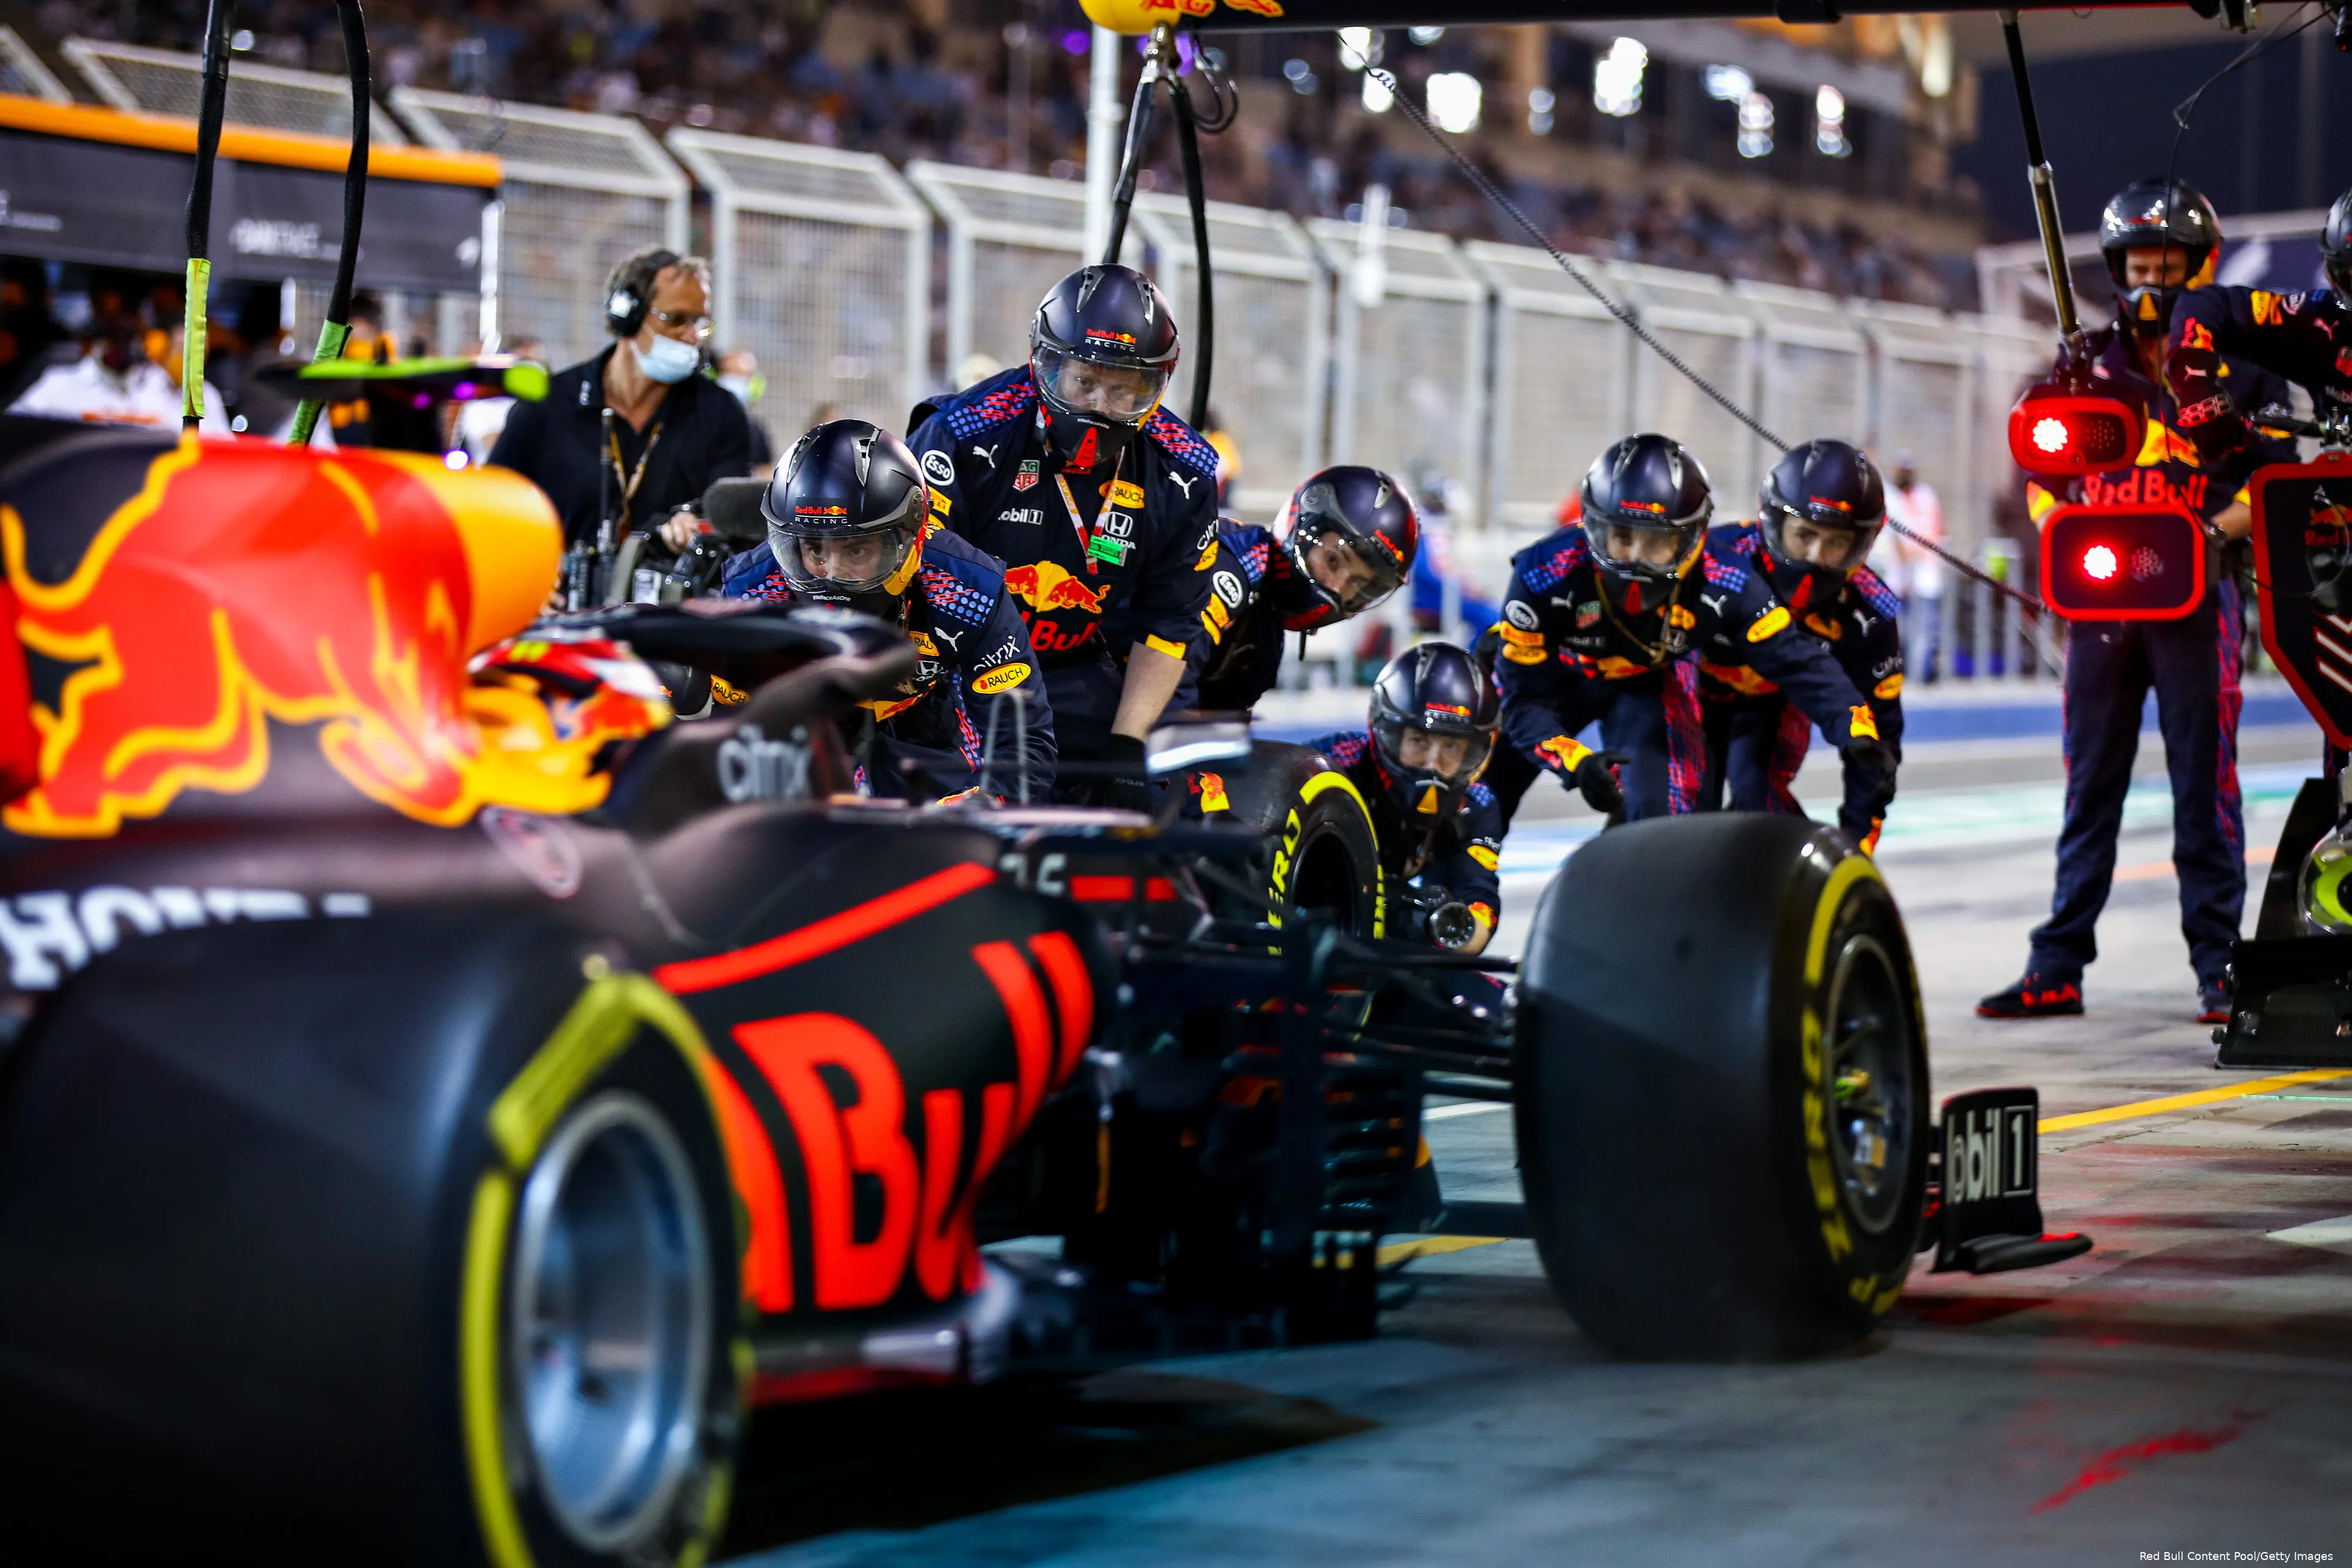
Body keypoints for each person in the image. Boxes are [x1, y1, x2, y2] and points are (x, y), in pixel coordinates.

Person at [1978, 179, 2296, 1025]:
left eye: (2169, 263)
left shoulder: (2243, 365)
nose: (2152, 278)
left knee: (2206, 789)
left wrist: (2211, 532)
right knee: (2090, 789)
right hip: (2104, 612)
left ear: (2200, 266)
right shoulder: (2079, 368)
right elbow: (2041, 482)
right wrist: (2071, 541)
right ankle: (2057, 967)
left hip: (2200, 601)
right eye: (2138, 263)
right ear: (2116, 270)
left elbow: (2273, 479)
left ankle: (2221, 970)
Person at [908, 263, 1216, 809]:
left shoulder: (1185, 471)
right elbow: (917, 585)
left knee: (1179, 804)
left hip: (1073, 667)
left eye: (1125, 390)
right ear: (1044, 363)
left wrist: (1127, 745)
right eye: (1084, 381)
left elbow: (1172, 624)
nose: (1099, 405)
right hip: (955, 667)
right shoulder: (960, 434)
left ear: (1158, 384)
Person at [1492, 433, 1890, 830]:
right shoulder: (1541, 573)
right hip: (1557, 678)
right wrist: (1573, 761)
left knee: (1664, 816)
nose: (1634, 559)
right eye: (1622, 536)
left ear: (1693, 539)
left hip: (1642, 686)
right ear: (1592, 526)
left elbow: (1794, 656)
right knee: (1478, 797)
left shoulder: (1729, 578)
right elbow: (1523, 700)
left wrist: (1853, 725)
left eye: (1656, 542)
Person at [720, 419, 1055, 804]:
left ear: (908, 541)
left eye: (856, 550)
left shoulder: (969, 591)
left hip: (927, 721)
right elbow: (722, 728)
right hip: (808, 726)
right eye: (815, 550)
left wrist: (976, 812)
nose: (832, 573)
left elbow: (1024, 740)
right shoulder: (753, 589)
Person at [1700, 440, 1905, 853]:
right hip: (1690, 694)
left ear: (1861, 544)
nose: (1815, 556)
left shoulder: (1873, 613)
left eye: (1836, 543)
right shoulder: (1712, 559)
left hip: (1775, 709)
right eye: (1805, 535)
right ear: (1775, 523)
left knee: (1758, 799)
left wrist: (1857, 848)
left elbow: (1878, 742)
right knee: (1676, 801)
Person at [488, 248, 752, 560]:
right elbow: (492, 511)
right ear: (627, 315)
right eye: (678, 320)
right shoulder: (546, 407)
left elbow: (731, 521)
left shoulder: (720, 413)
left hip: (670, 606)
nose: (694, 337)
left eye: (701, 323)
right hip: (561, 605)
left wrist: (696, 523)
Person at [1306, 642, 1504, 955]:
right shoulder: (1331, 766)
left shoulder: (1477, 802)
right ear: (1386, 732)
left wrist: (1444, 930)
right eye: (1419, 740)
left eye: (1452, 747)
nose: (1432, 764)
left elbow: (1479, 899)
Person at [1179, 465, 1418, 715]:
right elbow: (1166, 704)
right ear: (1302, 525)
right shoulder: (1229, 562)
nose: (1336, 588)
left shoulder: (1266, 634)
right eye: (1333, 561)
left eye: (1356, 585)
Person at [10, 309, 226, 432]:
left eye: (132, 339)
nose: (125, 348)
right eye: (117, 340)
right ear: (96, 344)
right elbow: (14, 427)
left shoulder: (156, 386)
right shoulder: (61, 383)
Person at [1882, 451, 1945, 684]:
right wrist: (1905, 566)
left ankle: (1923, 671)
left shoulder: (1926, 495)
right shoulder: (1890, 496)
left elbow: (1936, 528)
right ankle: (1901, 669)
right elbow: (1894, 537)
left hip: (1926, 570)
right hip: (1898, 574)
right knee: (1900, 625)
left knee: (1926, 625)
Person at [715, 348, 777, 472]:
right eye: (729, 374)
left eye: (742, 377)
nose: (735, 382)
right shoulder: (698, 422)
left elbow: (765, 471)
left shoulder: (756, 432)